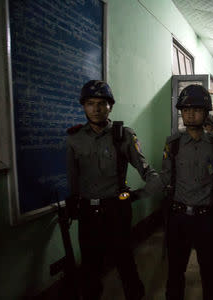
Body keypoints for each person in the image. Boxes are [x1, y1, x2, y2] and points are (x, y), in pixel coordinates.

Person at [65, 80, 160, 300]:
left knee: (124, 261)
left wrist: (137, 195)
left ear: (111, 106)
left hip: (116, 210)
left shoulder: (123, 135)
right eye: (90, 103)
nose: (96, 109)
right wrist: (73, 203)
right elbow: (72, 178)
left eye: (102, 103)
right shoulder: (74, 139)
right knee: (90, 267)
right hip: (88, 212)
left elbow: (149, 172)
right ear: (84, 106)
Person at [159, 84, 213, 300]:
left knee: (209, 270)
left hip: (206, 218)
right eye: (186, 109)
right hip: (178, 217)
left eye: (196, 109)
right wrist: (138, 194)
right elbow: (164, 176)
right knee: (175, 270)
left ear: (206, 113)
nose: (190, 113)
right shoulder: (173, 143)